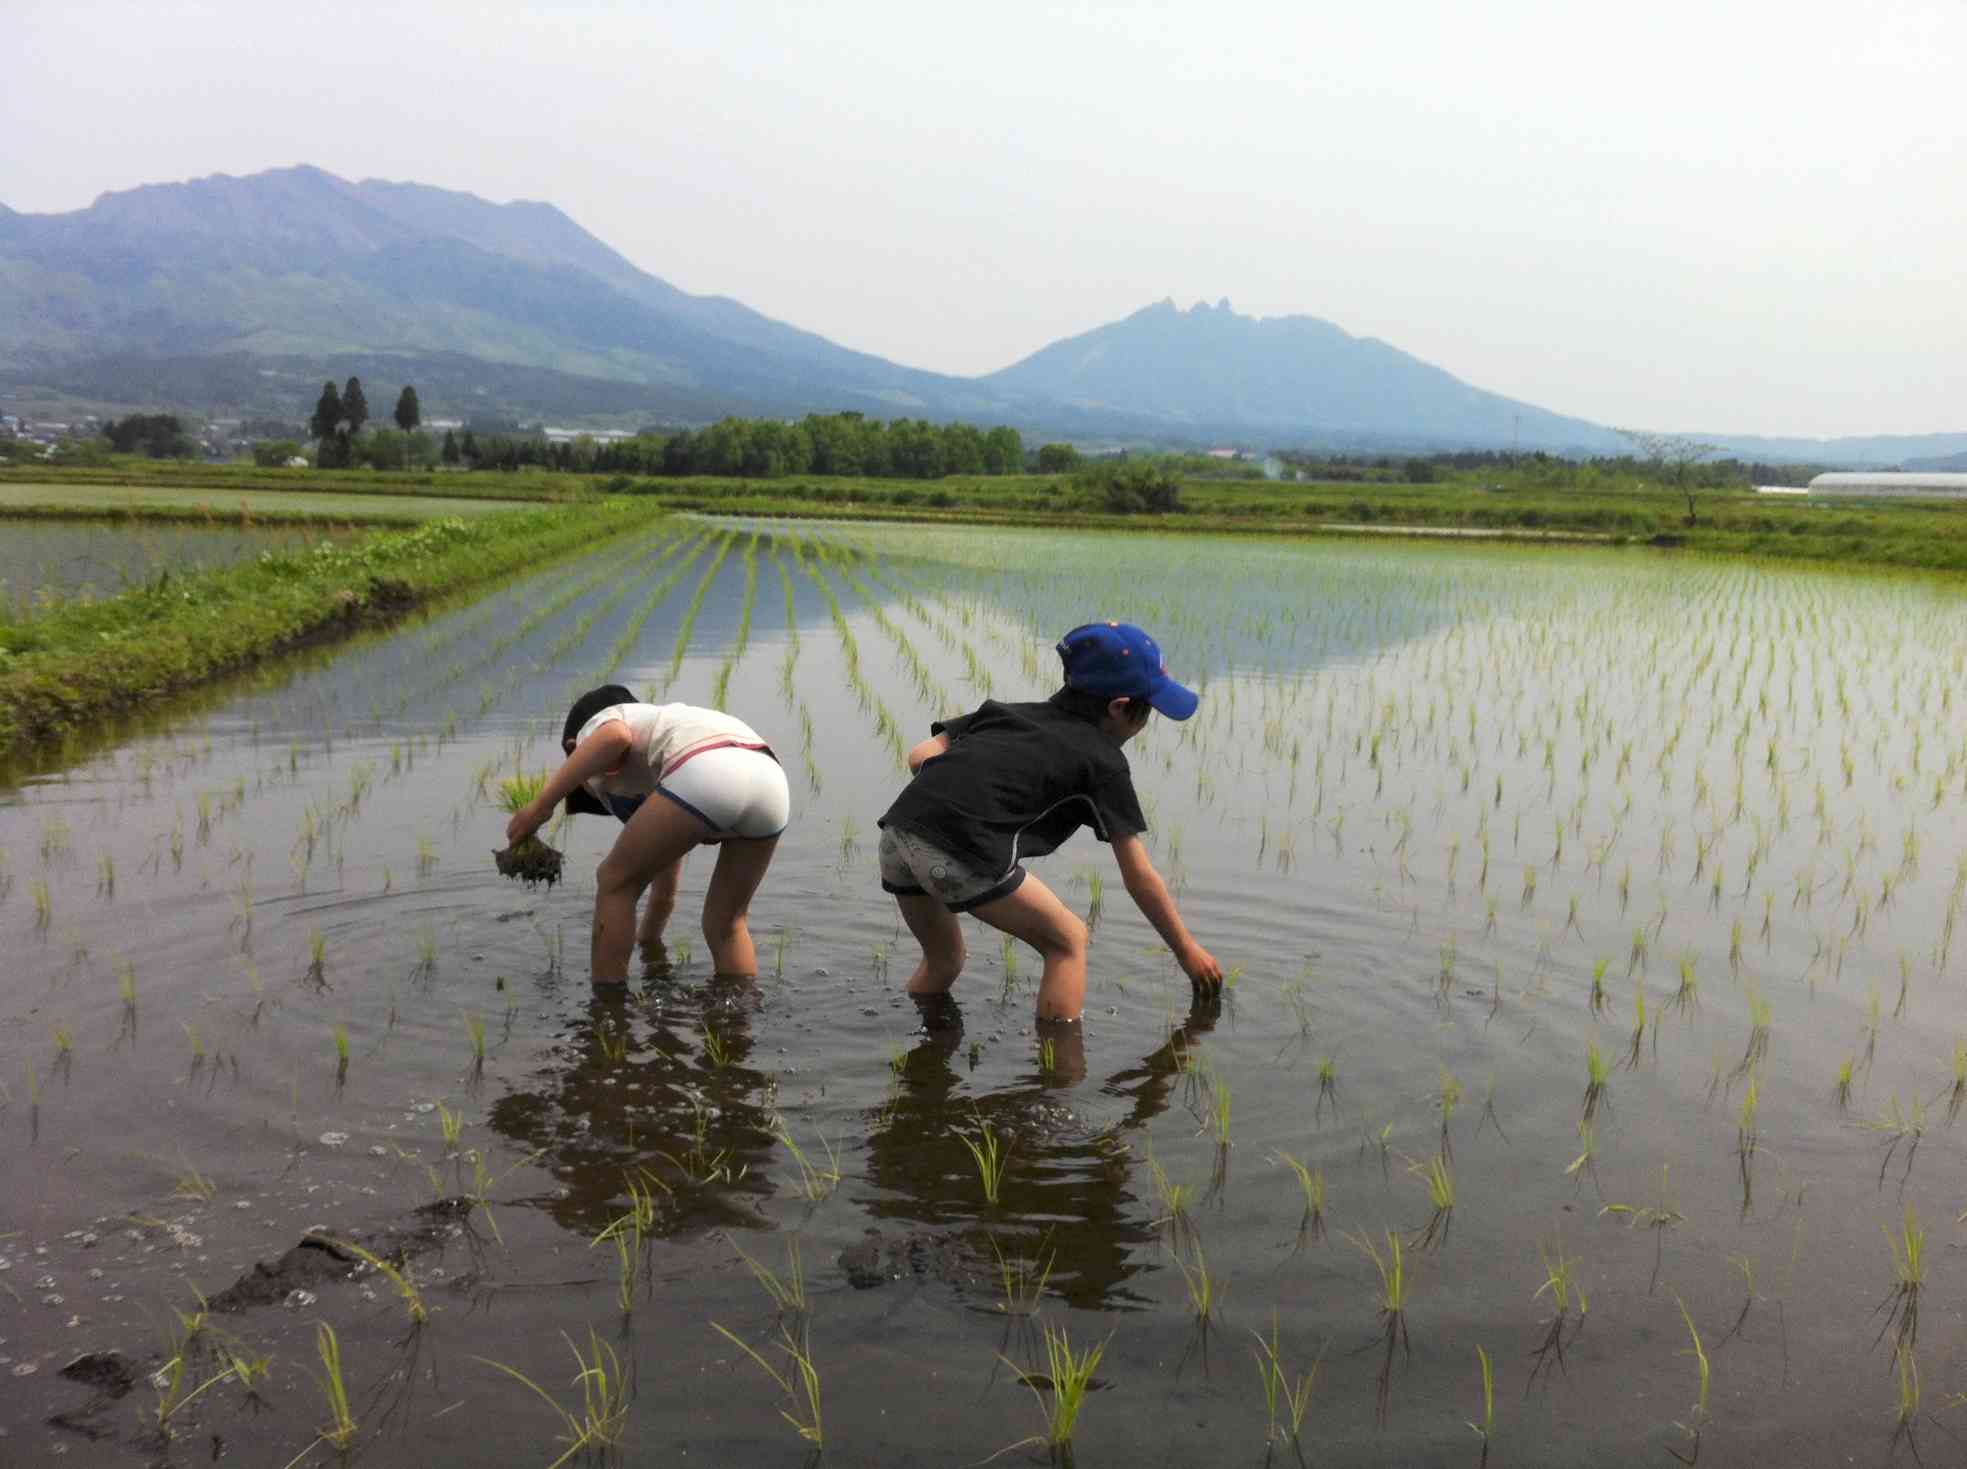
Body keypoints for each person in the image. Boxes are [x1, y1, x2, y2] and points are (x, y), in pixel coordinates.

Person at [877, 622, 1221, 1023]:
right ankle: (1056, 1076)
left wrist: (971, 783)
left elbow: (919, 756)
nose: (1145, 725)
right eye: (1147, 712)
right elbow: (1139, 876)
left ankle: (920, 1049)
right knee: (1068, 941)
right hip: (957, 851)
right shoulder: (1104, 763)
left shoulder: (1004, 713)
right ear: (1119, 707)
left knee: (944, 961)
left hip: (899, 831)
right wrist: (1186, 950)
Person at [504, 684, 788, 987]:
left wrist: (540, 807)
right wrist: (649, 946)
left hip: (708, 769)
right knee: (725, 924)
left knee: (613, 882)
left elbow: (615, 738)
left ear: (575, 747)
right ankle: (737, 1021)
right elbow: (664, 894)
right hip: (771, 783)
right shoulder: (661, 747)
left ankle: (608, 1013)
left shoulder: (607, 722)